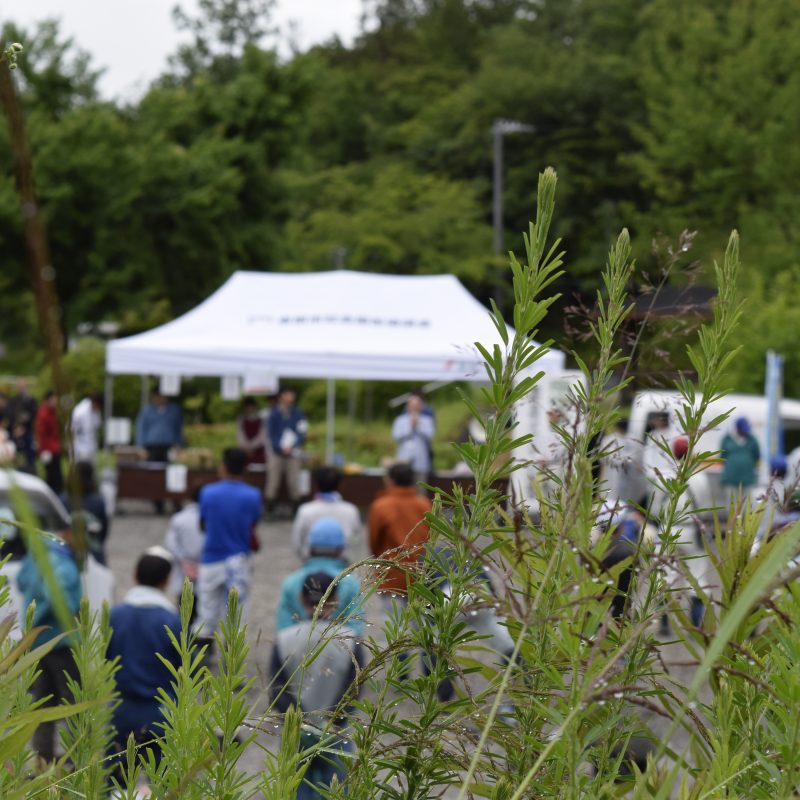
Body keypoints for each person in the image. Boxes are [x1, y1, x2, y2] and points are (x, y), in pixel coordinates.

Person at [270, 573, 365, 800]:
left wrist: (301, 722)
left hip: (296, 735)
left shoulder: (284, 639)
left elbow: (277, 691)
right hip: (336, 734)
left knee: (294, 791)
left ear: (301, 599)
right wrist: (330, 721)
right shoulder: (350, 640)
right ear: (336, 600)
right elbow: (354, 690)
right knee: (338, 792)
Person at [17, 522, 82, 762]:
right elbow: (60, 597)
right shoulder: (60, 561)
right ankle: (78, 759)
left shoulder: (37, 554)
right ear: (67, 533)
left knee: (42, 702)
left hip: (38, 644)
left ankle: (42, 759)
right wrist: (51, 616)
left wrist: (34, 625)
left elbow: (23, 581)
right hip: (61, 640)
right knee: (75, 701)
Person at [107, 548, 181, 754]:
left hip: (121, 709)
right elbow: (185, 668)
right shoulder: (172, 620)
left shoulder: (115, 616)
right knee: (164, 782)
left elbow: (104, 659)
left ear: (135, 575)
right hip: (162, 712)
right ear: (166, 580)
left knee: (116, 780)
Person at [194, 448, 262, 637]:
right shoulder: (253, 495)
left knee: (206, 612)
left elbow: (203, 524)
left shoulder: (208, 492)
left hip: (211, 557)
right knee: (237, 616)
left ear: (223, 467)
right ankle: (232, 660)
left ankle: (201, 657)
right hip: (239, 560)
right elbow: (253, 523)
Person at [277, 517, 364, 635]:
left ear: (310, 547)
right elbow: (356, 629)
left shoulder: (291, 581)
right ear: (341, 548)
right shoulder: (351, 583)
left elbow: (283, 627)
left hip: (297, 649)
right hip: (339, 651)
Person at [368, 462, 432, 601]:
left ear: (390, 480)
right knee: (419, 621)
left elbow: (374, 542)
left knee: (393, 620)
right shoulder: (424, 503)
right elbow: (431, 538)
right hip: (419, 574)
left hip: (390, 576)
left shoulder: (381, 506)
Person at [292, 466, 362, 562]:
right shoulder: (351, 510)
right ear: (340, 485)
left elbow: (297, 543)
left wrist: (305, 559)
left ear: (316, 484)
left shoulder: (305, 510)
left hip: (311, 563)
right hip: (342, 565)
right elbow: (356, 541)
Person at [266, 387, 307, 512]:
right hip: (277, 452)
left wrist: (293, 446)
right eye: (288, 395)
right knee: (273, 480)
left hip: (293, 452)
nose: (290, 398)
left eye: (292, 396)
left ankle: (295, 507)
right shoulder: (273, 414)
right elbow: (271, 434)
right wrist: (279, 447)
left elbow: (302, 432)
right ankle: (270, 507)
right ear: (281, 397)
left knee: (293, 480)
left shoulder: (298, 413)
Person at [61, 461, 110, 564]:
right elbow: (104, 530)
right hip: (93, 553)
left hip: (67, 552)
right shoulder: (98, 502)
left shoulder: (63, 500)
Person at [164, 485, 205, 600]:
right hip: (205, 567)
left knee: (184, 611)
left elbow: (171, 544)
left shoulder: (179, 518)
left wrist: (184, 561)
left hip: (183, 568)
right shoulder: (213, 519)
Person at [601, 419, 646, 507]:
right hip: (612, 477)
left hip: (629, 478)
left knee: (626, 504)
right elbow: (605, 458)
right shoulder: (609, 439)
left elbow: (639, 459)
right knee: (611, 501)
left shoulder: (634, 440)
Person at [392, 392, 435, 481]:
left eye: (417, 405)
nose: (414, 408)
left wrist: (418, 426)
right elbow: (396, 437)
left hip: (421, 461)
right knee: (403, 485)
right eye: (412, 405)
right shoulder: (400, 420)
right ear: (408, 406)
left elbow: (431, 435)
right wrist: (410, 428)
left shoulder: (427, 420)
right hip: (404, 460)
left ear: (421, 406)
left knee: (420, 487)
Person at [135, 390, 185, 462]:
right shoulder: (147, 411)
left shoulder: (174, 411)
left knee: (168, 470)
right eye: (157, 396)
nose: (160, 398)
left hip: (169, 446)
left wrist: (179, 444)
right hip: (151, 447)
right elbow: (141, 429)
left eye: (162, 396)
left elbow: (178, 429)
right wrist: (140, 447)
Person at [720, 416, 760, 505]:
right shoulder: (727, 439)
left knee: (747, 506)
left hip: (747, 481)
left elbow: (756, 456)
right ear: (737, 428)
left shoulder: (752, 440)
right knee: (731, 506)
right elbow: (722, 457)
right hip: (730, 480)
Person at [35, 390, 63, 495]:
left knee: (56, 476)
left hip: (55, 447)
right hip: (49, 449)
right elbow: (42, 434)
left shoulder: (53, 412)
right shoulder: (44, 413)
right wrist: (44, 450)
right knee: (52, 476)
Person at [8, 378, 37, 472]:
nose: (22, 388)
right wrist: (16, 429)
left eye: (23, 386)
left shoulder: (31, 400)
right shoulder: (14, 400)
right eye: (20, 386)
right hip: (16, 432)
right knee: (16, 455)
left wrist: (24, 425)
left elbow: (34, 413)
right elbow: (10, 415)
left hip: (27, 431)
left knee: (30, 457)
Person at [71, 394, 102, 464]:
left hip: (92, 445)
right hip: (80, 446)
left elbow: (97, 426)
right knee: (83, 468)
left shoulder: (96, 412)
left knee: (91, 469)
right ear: (95, 403)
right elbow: (73, 429)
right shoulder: (80, 411)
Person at [236, 396, 267, 467]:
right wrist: (246, 448)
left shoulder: (262, 420)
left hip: (258, 451)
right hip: (244, 451)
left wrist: (252, 447)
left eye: (251, 407)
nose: (249, 409)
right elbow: (240, 435)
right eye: (247, 407)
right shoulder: (241, 420)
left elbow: (262, 436)